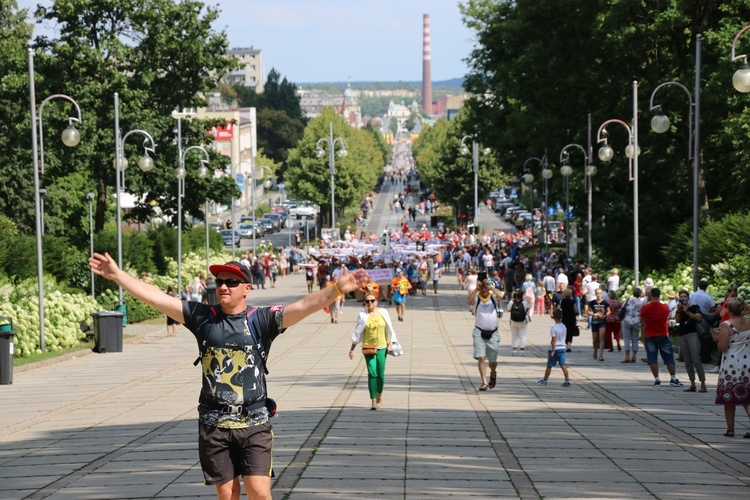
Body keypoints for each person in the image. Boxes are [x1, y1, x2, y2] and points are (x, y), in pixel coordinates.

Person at [88, 252, 367, 500]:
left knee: (259, 492)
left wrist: (336, 290)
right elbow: (157, 297)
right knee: (228, 494)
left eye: (231, 282)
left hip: (254, 422)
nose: (223, 286)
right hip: (214, 425)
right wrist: (118, 275)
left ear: (246, 288)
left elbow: (304, 306)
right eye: (219, 281)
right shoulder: (202, 317)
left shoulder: (262, 319)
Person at [348, 292, 399, 410]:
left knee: (380, 374)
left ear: (376, 301)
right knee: (372, 373)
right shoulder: (362, 315)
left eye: (372, 300)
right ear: (365, 303)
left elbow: (389, 328)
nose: (370, 303)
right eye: (367, 301)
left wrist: (390, 343)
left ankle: (380, 394)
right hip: (368, 347)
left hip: (382, 347)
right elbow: (357, 333)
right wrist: (352, 349)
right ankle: (373, 400)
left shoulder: (383, 312)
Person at [713, 297, 750, 438]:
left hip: (731, 366)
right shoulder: (748, 322)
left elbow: (723, 347)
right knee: (747, 397)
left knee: (729, 396)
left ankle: (730, 429)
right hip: (747, 363)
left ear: (729, 309)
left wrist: (717, 339)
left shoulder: (726, 325)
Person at [640, 287, 683, 387]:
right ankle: (673, 378)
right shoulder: (664, 307)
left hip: (649, 335)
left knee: (652, 358)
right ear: (659, 296)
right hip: (663, 334)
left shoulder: (645, 308)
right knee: (669, 357)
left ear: (650, 296)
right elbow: (666, 317)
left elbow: (642, 317)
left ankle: (657, 379)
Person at [467, 278, 504, 390]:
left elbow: (501, 296)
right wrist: (476, 290)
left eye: (485, 287)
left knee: (492, 360)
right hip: (479, 331)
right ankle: (484, 382)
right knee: (481, 357)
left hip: (493, 332)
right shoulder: (477, 299)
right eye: (482, 287)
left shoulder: (492, 297)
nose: (484, 289)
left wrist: (490, 286)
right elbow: (469, 301)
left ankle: (493, 373)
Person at [674, 289, 707, 393]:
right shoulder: (680, 308)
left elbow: (698, 318)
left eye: (685, 296)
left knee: (696, 360)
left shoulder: (694, 307)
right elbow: (677, 321)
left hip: (693, 334)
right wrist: (679, 310)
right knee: (687, 361)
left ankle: (703, 383)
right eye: (681, 297)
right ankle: (692, 383)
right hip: (682, 335)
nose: (683, 298)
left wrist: (686, 310)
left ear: (688, 298)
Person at [537, 309, 571, 387]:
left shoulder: (554, 328)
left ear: (553, 317)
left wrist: (552, 350)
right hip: (562, 348)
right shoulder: (564, 326)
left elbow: (553, 340)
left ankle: (545, 380)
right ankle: (567, 380)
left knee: (549, 365)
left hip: (556, 348)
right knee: (563, 365)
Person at [620, 288, 644, 363]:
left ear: (633, 293)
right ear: (640, 294)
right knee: (635, 338)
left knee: (626, 338)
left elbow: (623, 308)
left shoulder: (628, 299)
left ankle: (627, 356)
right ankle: (634, 357)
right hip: (636, 321)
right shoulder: (641, 302)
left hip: (627, 320)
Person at [586, 288, 610, 361]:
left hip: (602, 322)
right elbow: (588, 311)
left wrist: (605, 316)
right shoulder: (592, 302)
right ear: (595, 294)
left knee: (601, 338)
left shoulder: (605, 303)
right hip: (594, 322)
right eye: (597, 293)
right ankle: (595, 351)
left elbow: (609, 311)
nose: (598, 295)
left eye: (600, 293)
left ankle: (601, 355)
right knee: (595, 339)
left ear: (602, 294)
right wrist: (594, 314)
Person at [508, 289, 530, 356]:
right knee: (522, 336)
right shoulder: (525, 302)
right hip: (523, 321)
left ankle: (514, 350)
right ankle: (522, 351)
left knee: (514, 336)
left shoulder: (511, 302)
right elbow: (527, 309)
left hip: (513, 320)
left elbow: (508, 309)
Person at [560, 288, 578, 352]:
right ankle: (568, 345)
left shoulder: (562, 301)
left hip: (564, 317)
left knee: (564, 331)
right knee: (570, 332)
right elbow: (575, 310)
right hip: (571, 317)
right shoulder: (572, 301)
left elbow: (560, 308)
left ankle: (563, 343)